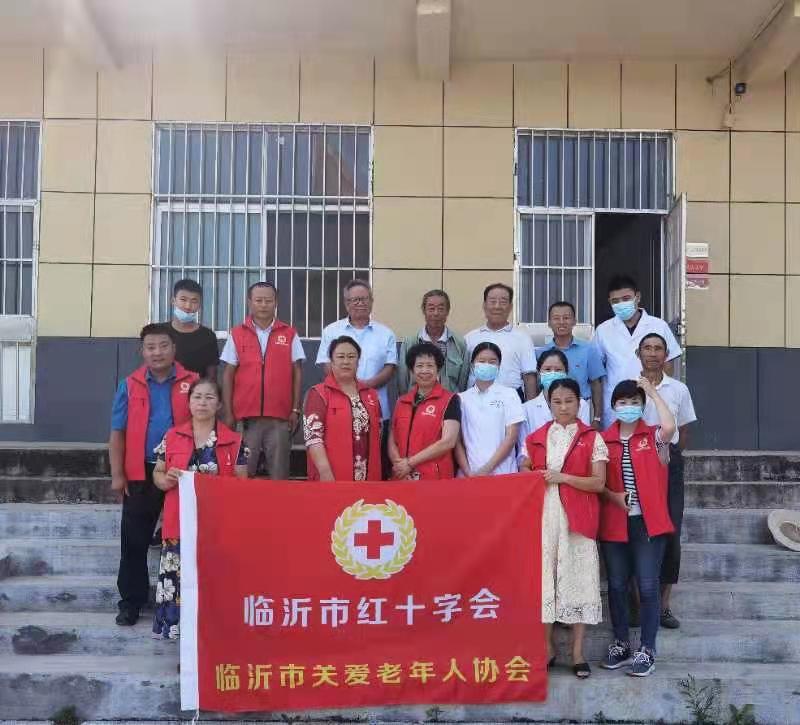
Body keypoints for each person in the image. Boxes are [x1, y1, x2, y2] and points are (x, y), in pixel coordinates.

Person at [109, 324, 198, 626]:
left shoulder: (192, 382)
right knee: (134, 540)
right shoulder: (129, 385)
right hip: (141, 469)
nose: (157, 352)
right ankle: (131, 602)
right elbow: (117, 433)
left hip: (181, 471)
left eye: (163, 346)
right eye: (150, 347)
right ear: (142, 351)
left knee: (185, 539)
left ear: (174, 349)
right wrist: (117, 475)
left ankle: (186, 602)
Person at [520, 378, 607, 679]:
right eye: (557, 402)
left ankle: (578, 653)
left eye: (569, 401)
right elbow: (524, 469)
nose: (563, 407)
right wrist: (528, 471)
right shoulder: (535, 437)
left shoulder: (592, 438)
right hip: (543, 518)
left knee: (579, 580)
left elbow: (598, 483)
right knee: (545, 582)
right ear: (548, 404)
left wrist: (563, 477)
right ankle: (547, 649)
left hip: (577, 519)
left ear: (579, 402)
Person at [150, 379, 248, 640]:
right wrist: (166, 479)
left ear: (219, 404)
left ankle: (214, 638)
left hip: (217, 526)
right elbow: (158, 474)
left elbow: (242, 485)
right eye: (197, 397)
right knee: (178, 580)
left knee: (214, 581)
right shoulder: (172, 436)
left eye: (209, 398)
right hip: (179, 523)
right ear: (189, 402)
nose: (202, 403)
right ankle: (180, 638)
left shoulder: (234, 441)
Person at [599, 378, 676, 677]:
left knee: (647, 585)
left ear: (643, 406)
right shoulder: (603, 441)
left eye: (634, 402)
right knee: (617, 585)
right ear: (613, 406)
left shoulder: (653, 436)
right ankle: (621, 643)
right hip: (614, 523)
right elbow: (596, 482)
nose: (628, 407)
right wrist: (613, 497)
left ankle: (647, 649)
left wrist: (653, 392)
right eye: (623, 402)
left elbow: (669, 427)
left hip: (647, 524)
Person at [637, 333, 697, 630]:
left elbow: (683, 430)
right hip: (635, 460)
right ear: (638, 353)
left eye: (658, 348)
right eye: (647, 348)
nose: (652, 353)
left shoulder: (678, 389)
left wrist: (670, 456)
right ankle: (637, 605)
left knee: (670, 530)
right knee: (636, 530)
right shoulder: (629, 386)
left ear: (666, 354)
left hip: (668, 461)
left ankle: (663, 606)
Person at [220, 282, 305, 480]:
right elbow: (228, 374)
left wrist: (295, 409)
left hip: (279, 418)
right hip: (245, 418)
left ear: (276, 302)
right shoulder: (237, 333)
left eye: (268, 300)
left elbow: (297, 372)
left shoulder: (289, 333)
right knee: (242, 474)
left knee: (279, 474)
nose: (264, 305)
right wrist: (229, 412)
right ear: (250, 302)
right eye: (259, 300)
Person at [315, 280, 397, 473]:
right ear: (346, 303)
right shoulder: (331, 331)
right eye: (355, 300)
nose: (360, 303)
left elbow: (390, 367)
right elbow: (326, 364)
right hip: (337, 409)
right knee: (341, 462)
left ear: (372, 301)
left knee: (375, 463)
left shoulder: (386, 333)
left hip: (376, 409)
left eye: (364, 299)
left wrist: (364, 387)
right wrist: (348, 388)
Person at [593, 275, 681, 429]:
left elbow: (667, 365)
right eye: (615, 301)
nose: (621, 304)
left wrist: (658, 392)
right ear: (610, 302)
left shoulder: (659, 326)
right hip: (617, 404)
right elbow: (596, 373)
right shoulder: (603, 330)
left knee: (653, 439)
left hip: (651, 401)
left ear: (637, 297)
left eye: (626, 298)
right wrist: (597, 416)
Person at [304, 336, 383, 481]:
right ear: (332, 362)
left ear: (358, 361)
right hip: (331, 477)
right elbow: (313, 438)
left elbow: (379, 433)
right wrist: (325, 472)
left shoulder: (371, 395)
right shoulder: (319, 394)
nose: (346, 361)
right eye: (340, 357)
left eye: (351, 357)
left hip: (368, 477)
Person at [388, 342, 461, 480]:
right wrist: (400, 467)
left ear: (438, 369)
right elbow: (392, 439)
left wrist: (410, 463)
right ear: (412, 370)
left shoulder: (450, 400)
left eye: (430, 366)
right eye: (419, 366)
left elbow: (448, 441)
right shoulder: (401, 401)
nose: (424, 371)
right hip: (402, 477)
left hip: (434, 478)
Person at [455, 342, 524, 476]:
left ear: (499, 366)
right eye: (481, 361)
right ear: (472, 365)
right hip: (469, 475)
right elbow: (457, 441)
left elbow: (511, 437)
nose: (487, 365)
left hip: (503, 473)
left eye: (492, 362)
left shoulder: (509, 394)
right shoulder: (461, 398)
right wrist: (468, 472)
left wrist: (486, 469)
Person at [465, 283, 537, 401]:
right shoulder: (470, 338)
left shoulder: (522, 338)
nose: (497, 306)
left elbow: (529, 377)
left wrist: (531, 407)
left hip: (511, 400)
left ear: (510, 307)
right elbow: (463, 376)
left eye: (503, 302)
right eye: (492, 301)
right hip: (475, 401)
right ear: (484, 305)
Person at [539, 301, 605, 429]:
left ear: (574, 321)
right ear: (549, 323)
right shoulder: (542, 353)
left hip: (581, 408)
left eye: (566, 318)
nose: (561, 322)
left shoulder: (588, 350)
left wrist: (597, 417)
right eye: (556, 318)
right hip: (548, 409)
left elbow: (596, 385)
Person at [517, 349, 592, 458]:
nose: (552, 373)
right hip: (537, 465)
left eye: (558, 370)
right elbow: (524, 450)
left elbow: (584, 443)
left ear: (566, 373)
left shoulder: (581, 405)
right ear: (539, 373)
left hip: (573, 464)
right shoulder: (526, 409)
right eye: (547, 369)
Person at [396, 289, 469, 395]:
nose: (436, 313)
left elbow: (463, 382)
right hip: (417, 402)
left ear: (447, 311)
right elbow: (403, 380)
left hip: (449, 401)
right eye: (431, 308)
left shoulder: (459, 343)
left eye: (441, 309)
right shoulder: (410, 343)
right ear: (424, 311)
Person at [169, 279, 219, 379]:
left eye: (194, 301)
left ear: (199, 305)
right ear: (173, 301)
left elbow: (211, 376)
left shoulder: (208, 336)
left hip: (196, 388)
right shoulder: (160, 332)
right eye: (183, 300)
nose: (188, 306)